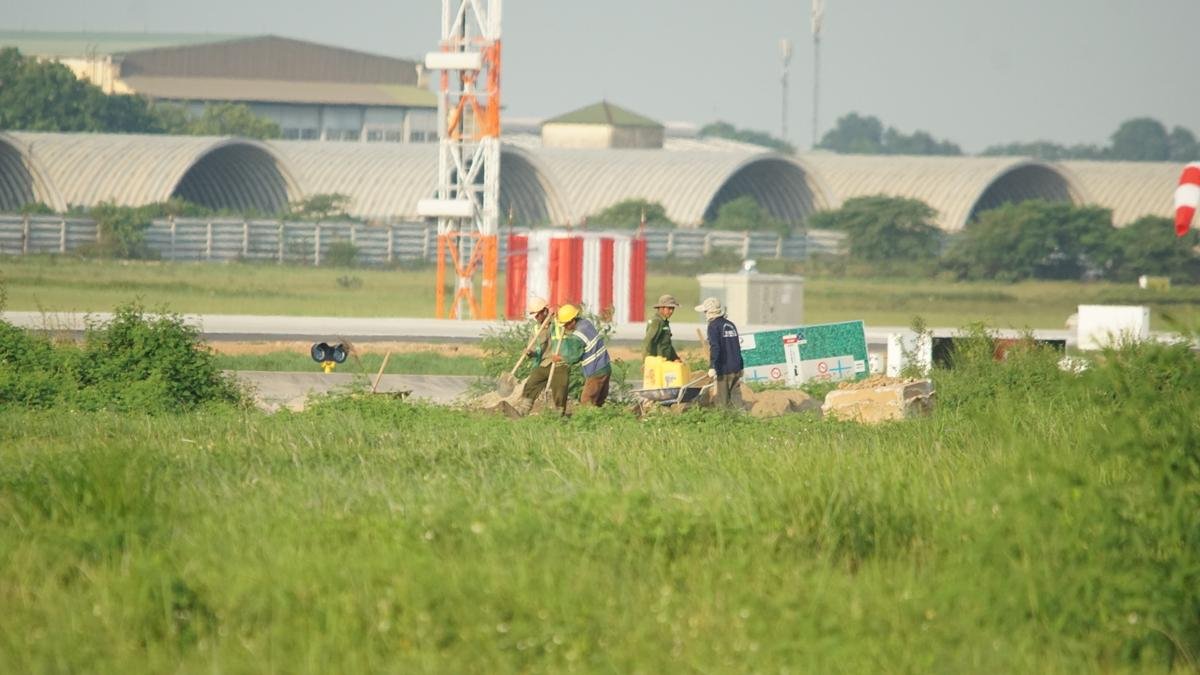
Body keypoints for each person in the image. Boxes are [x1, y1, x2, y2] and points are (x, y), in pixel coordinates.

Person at [551, 303, 612, 409]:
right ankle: (601, 421)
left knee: (586, 401)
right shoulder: (586, 323)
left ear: (572, 321)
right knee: (598, 401)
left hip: (595, 370)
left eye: (565, 325)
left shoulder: (578, 335)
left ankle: (587, 423)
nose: (565, 328)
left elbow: (574, 357)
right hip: (605, 366)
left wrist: (559, 358)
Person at [514, 297, 567, 415]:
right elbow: (533, 349)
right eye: (534, 316)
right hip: (544, 362)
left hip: (559, 361)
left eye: (537, 315)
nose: (536, 318)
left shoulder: (558, 322)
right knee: (531, 384)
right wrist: (529, 353)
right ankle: (523, 411)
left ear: (544, 311)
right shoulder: (536, 328)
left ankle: (559, 414)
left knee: (559, 388)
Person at [696, 297, 743, 409]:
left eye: (705, 311)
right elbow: (737, 346)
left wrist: (713, 366)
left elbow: (715, 347)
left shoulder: (713, 326)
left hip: (724, 368)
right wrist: (741, 366)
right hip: (736, 367)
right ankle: (743, 418)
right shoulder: (731, 324)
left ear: (710, 311)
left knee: (722, 401)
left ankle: (723, 422)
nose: (705, 314)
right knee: (736, 400)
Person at [642, 294, 681, 361]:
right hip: (658, 363)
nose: (671, 311)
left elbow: (666, 344)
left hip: (665, 362)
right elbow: (648, 342)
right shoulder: (657, 321)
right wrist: (646, 361)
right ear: (661, 308)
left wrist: (675, 358)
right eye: (669, 308)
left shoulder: (664, 322)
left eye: (673, 309)